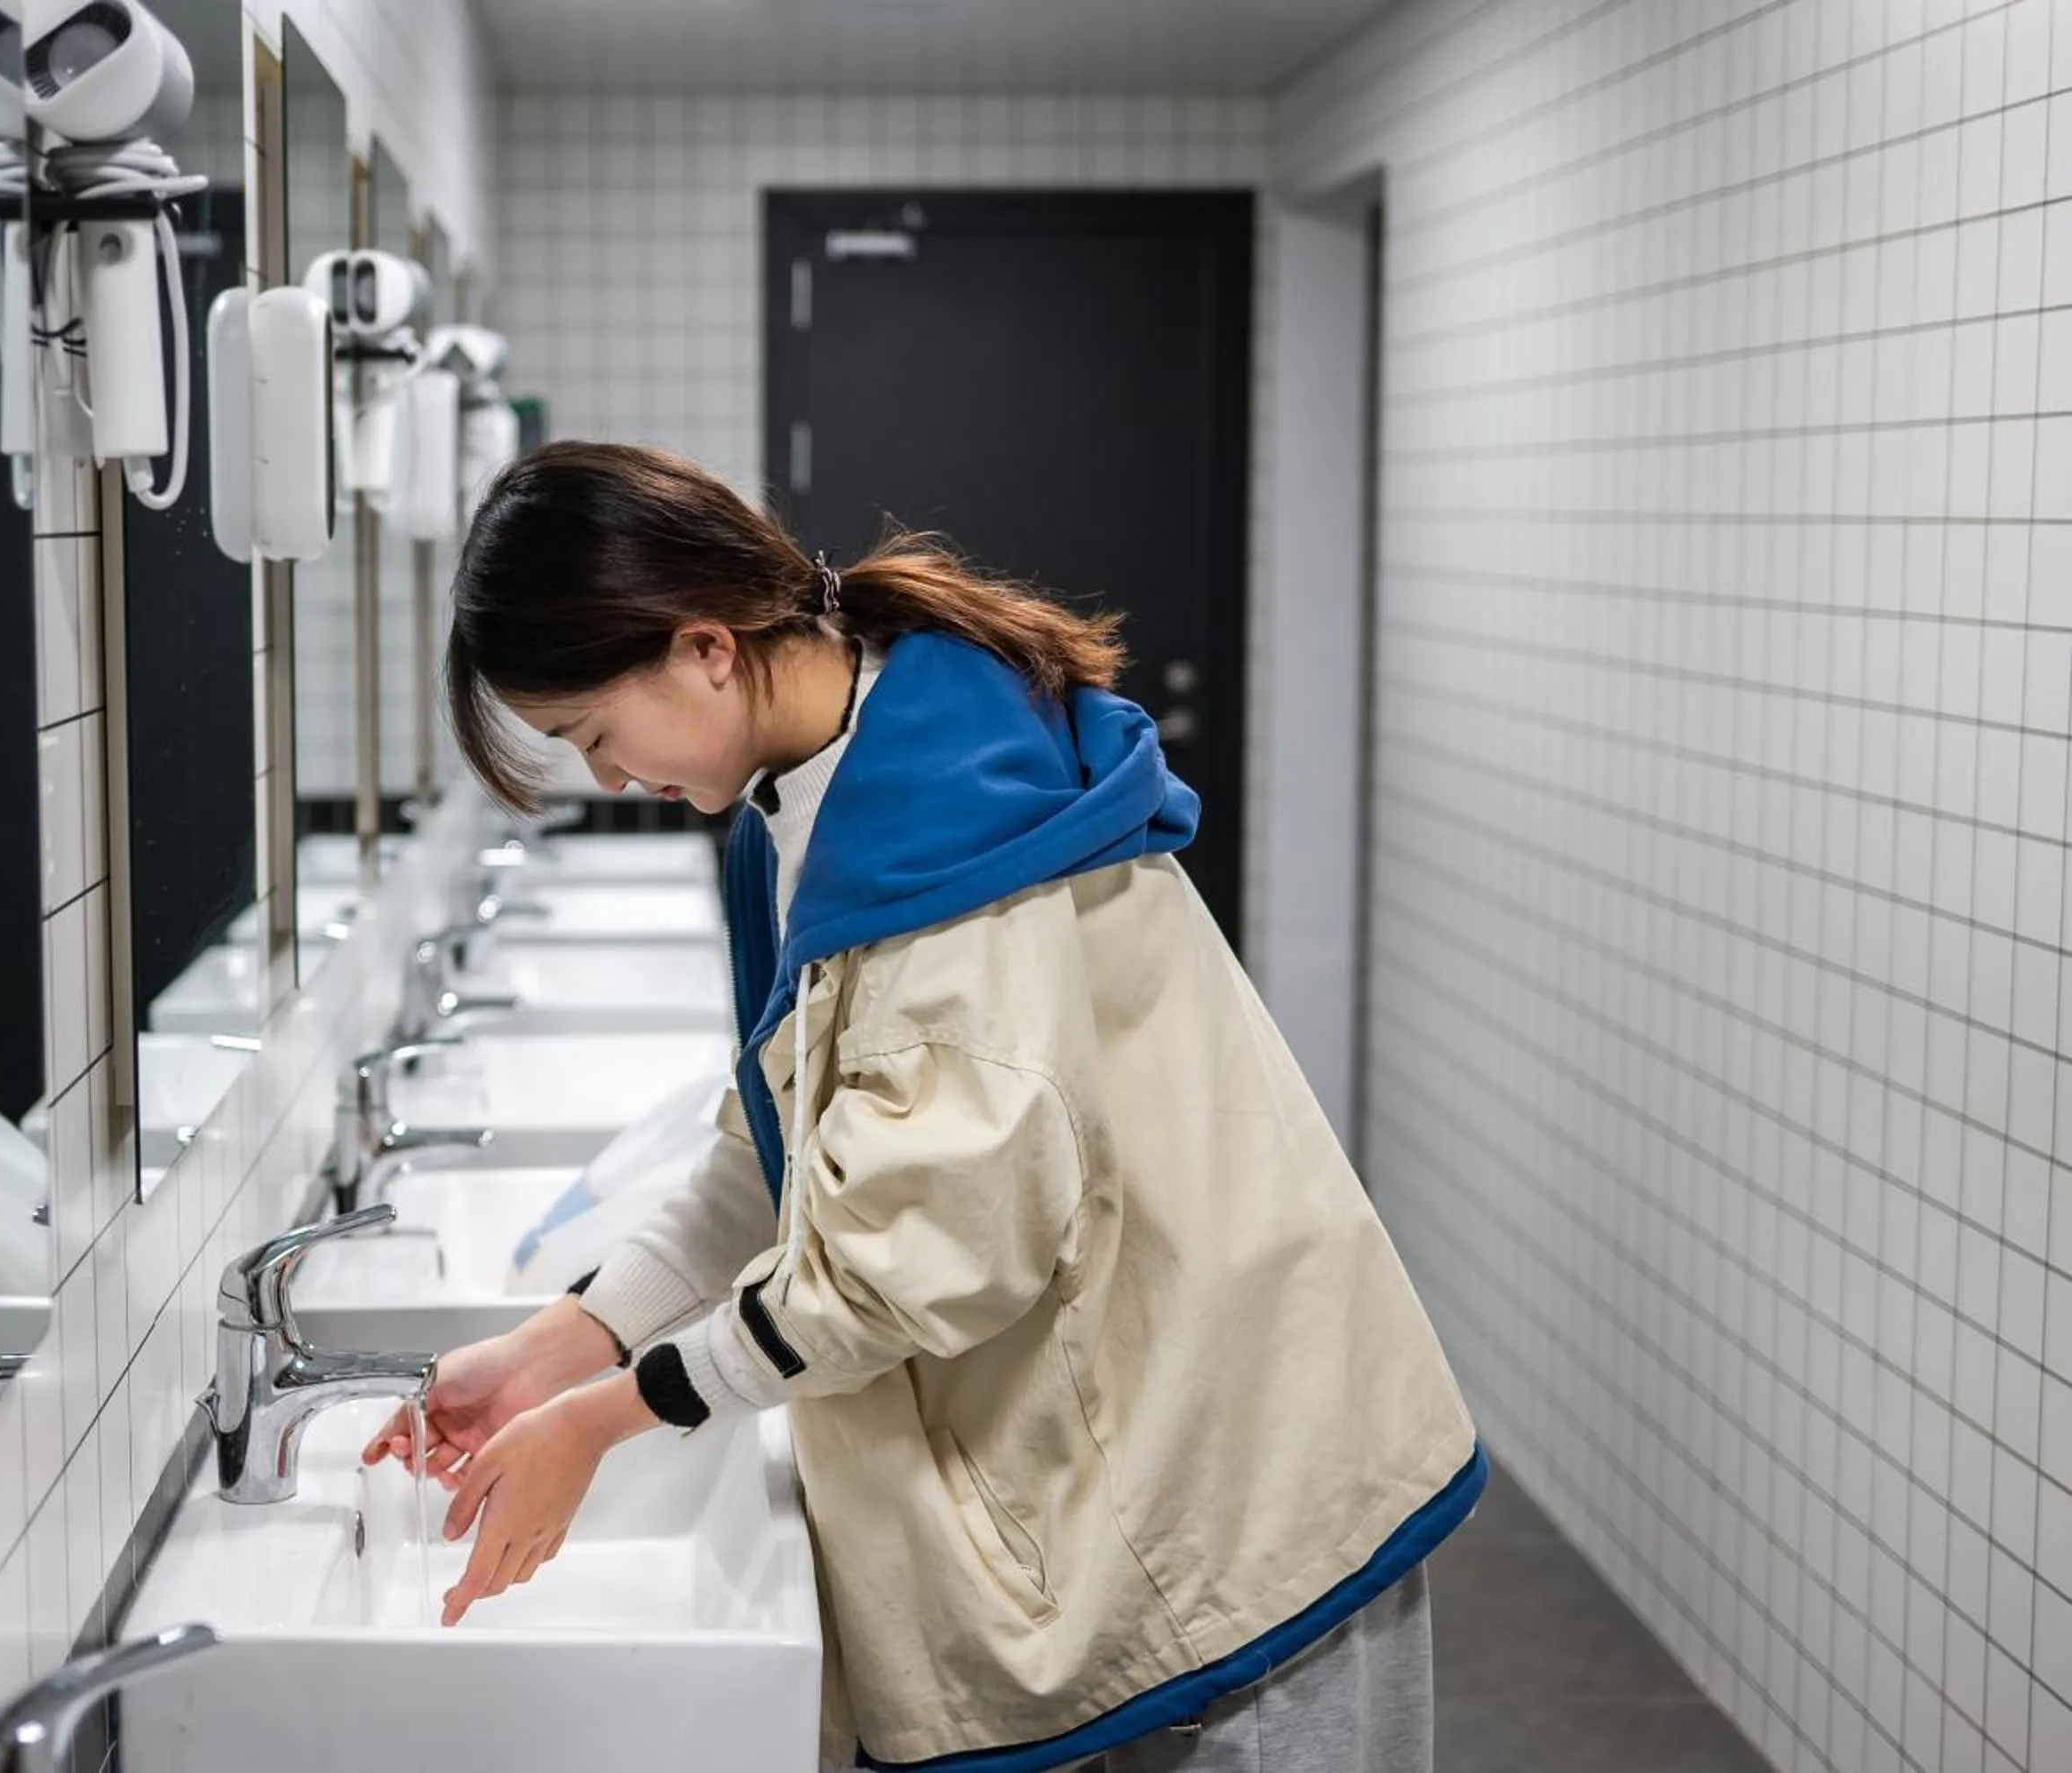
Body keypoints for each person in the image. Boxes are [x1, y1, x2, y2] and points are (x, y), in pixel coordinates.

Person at [368, 442, 1487, 1773]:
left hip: (1238, 1478)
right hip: (1133, 1437)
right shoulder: (811, 793)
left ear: (707, 649)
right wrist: (568, 1338)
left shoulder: (943, 850)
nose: (609, 779)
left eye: (594, 735)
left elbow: (898, 1271)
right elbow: (785, 1154)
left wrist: (608, 1417)